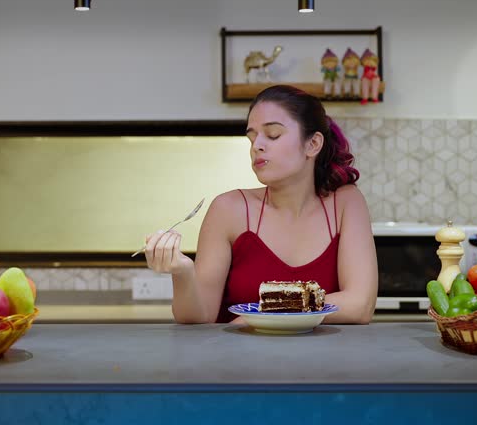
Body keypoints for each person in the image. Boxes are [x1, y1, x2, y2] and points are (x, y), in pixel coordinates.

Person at [143, 85, 378, 324]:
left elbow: (360, 305)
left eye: (273, 134)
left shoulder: (346, 202)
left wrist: (260, 316)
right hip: (240, 361)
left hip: (324, 362)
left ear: (313, 144)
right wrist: (183, 273)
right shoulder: (227, 209)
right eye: (252, 137)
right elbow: (199, 317)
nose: (256, 146)